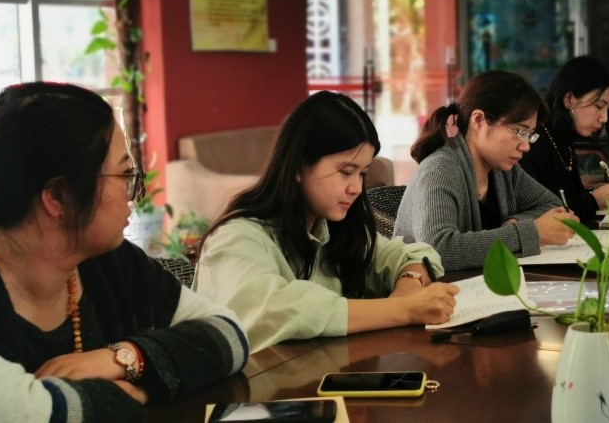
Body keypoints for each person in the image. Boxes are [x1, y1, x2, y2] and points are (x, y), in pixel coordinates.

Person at [0, 82, 248, 421]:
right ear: (58, 197)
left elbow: (229, 333)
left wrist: (123, 358)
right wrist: (134, 394)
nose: (133, 194)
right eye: (125, 174)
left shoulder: (106, 260)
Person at [192, 91, 458, 354]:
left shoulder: (332, 227)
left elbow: (412, 254)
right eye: (346, 172)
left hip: (315, 374)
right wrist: (403, 310)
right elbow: (276, 310)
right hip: (248, 381)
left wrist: (409, 286)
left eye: (362, 174)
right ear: (299, 166)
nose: (356, 188)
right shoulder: (236, 237)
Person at [394, 71, 578, 271]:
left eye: (530, 135)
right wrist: (532, 233)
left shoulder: (505, 171)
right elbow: (438, 250)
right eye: (520, 131)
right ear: (479, 120)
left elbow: (552, 206)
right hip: (429, 288)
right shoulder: (439, 170)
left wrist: (516, 222)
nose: (526, 146)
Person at [520, 56, 609, 222]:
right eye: (599, 106)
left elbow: (566, 198)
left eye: (608, 108)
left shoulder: (563, 138)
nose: (605, 118)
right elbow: (543, 214)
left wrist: (592, 193)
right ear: (569, 99)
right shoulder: (534, 141)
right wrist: (593, 200)